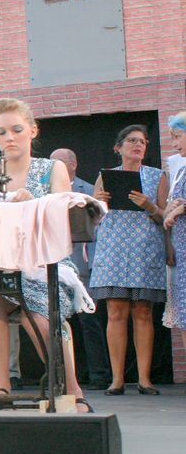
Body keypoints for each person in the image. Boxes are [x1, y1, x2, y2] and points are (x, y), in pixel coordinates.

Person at [0, 98, 88, 411]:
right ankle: (2, 387)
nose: (9, 138)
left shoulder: (51, 169)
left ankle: (72, 389)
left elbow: (63, 213)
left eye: (16, 130)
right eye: (1, 132)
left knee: (37, 314)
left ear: (33, 131)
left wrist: (33, 205)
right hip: (3, 266)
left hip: (45, 265)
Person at [90, 125, 167, 396]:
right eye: (132, 141)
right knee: (115, 312)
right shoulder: (105, 176)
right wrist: (97, 202)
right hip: (113, 249)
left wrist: (150, 206)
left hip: (145, 249)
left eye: (142, 142)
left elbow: (165, 217)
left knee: (143, 311)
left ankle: (144, 379)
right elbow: (93, 218)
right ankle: (117, 379)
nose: (138, 145)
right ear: (118, 147)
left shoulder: (157, 176)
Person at [51, 148, 110, 390]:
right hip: (54, 263)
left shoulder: (89, 190)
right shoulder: (45, 191)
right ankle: (68, 376)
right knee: (59, 322)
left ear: (73, 164)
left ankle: (98, 375)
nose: (54, 167)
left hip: (82, 264)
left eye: (59, 162)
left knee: (89, 321)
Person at [163, 112, 186, 359]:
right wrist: (172, 208)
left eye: (178, 137)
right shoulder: (181, 171)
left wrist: (180, 209)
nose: (174, 143)